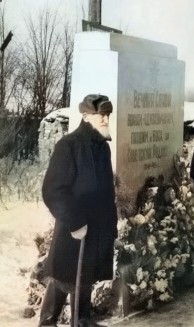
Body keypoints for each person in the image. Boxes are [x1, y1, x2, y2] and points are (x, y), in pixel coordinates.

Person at [39, 94, 117, 327]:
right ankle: (47, 323)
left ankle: (82, 321)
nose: (105, 119)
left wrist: (110, 227)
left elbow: (105, 191)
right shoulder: (69, 145)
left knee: (86, 279)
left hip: (97, 231)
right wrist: (75, 222)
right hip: (74, 231)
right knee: (64, 279)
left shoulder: (102, 148)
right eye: (100, 115)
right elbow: (53, 190)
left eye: (107, 115)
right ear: (85, 116)